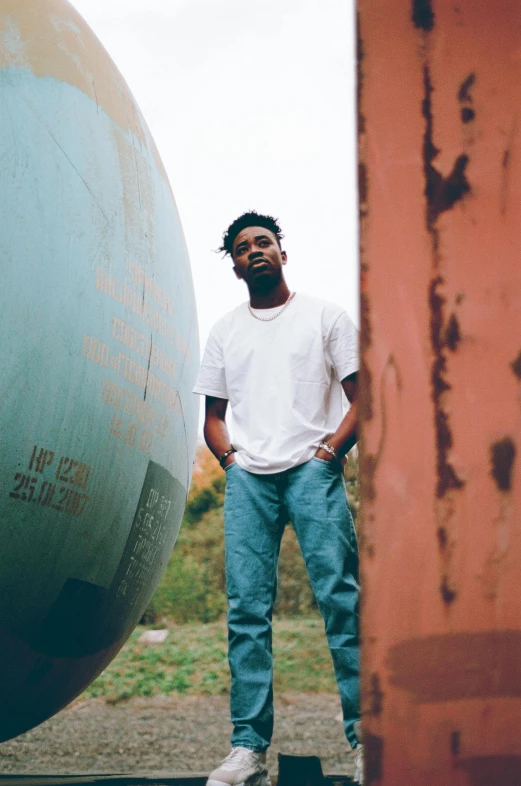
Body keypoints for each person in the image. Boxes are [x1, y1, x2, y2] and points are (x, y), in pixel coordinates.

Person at [193, 211, 363, 786]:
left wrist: (332, 453)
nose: (255, 250)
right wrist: (230, 462)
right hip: (250, 481)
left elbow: (364, 399)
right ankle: (247, 750)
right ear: (236, 267)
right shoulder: (225, 331)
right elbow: (212, 418)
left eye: (264, 242)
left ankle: (367, 736)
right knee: (246, 612)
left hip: (312, 472)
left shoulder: (326, 317)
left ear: (282, 254)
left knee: (341, 598)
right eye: (243, 248)